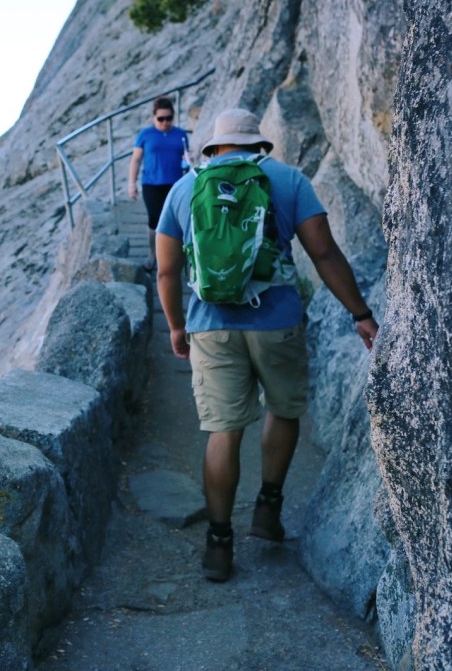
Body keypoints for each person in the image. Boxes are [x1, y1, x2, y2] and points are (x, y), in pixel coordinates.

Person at [154, 108, 379, 582]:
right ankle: (267, 510)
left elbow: (167, 271)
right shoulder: (288, 179)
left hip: (211, 327)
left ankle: (219, 544)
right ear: (257, 142)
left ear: (215, 147)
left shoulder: (184, 188)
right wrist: (360, 313)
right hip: (277, 322)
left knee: (223, 431)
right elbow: (323, 252)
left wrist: (176, 326)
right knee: (283, 409)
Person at [129, 97, 190, 272]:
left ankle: (177, 255)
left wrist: (189, 159)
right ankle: (153, 254)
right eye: (161, 118)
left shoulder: (180, 134)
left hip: (175, 184)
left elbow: (186, 156)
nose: (165, 122)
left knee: (176, 220)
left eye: (169, 118)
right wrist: (132, 183)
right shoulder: (145, 135)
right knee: (154, 220)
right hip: (152, 184)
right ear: (153, 117)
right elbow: (136, 159)